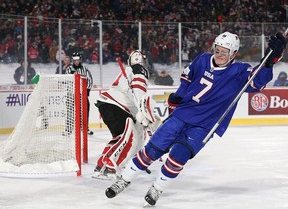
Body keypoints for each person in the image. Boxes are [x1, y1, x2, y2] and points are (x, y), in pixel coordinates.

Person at [104, 31, 287, 205]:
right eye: (217, 50)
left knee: (179, 156)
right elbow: (187, 78)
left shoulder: (240, 72)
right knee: (153, 149)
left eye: (224, 52)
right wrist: (178, 96)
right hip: (183, 114)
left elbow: (257, 82)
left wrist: (270, 61)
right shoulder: (202, 59)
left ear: (233, 54)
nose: (219, 54)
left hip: (205, 126)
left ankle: (157, 188)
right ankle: (124, 180)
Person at [93, 50, 159, 179]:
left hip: (108, 104)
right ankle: (110, 167)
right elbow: (139, 95)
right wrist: (144, 114)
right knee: (130, 137)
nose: (145, 64)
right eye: (143, 61)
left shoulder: (130, 71)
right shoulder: (139, 69)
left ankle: (101, 165)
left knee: (120, 137)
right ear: (139, 60)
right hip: (116, 106)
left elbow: (131, 95)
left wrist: (143, 116)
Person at [65, 52, 94, 135]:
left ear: (80, 60)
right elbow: (66, 80)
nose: (76, 62)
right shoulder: (69, 69)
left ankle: (85, 128)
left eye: (77, 60)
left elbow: (90, 80)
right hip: (72, 94)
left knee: (85, 110)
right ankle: (68, 129)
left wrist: (87, 91)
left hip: (82, 94)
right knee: (70, 111)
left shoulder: (85, 69)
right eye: (74, 60)